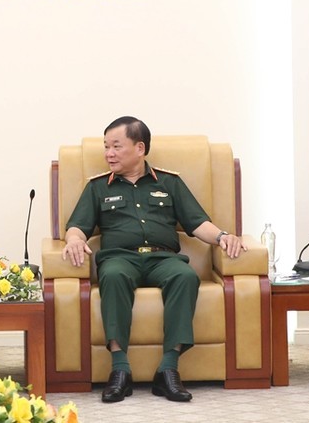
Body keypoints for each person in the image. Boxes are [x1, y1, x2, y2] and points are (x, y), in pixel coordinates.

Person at [62, 116, 246, 403]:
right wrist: (74, 239)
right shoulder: (98, 187)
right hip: (120, 259)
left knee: (185, 276)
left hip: (164, 258)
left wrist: (223, 236)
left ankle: (168, 370)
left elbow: (197, 223)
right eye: (106, 146)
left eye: (116, 146)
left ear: (140, 148)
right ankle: (120, 371)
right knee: (112, 276)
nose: (108, 153)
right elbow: (77, 225)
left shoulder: (170, 182)